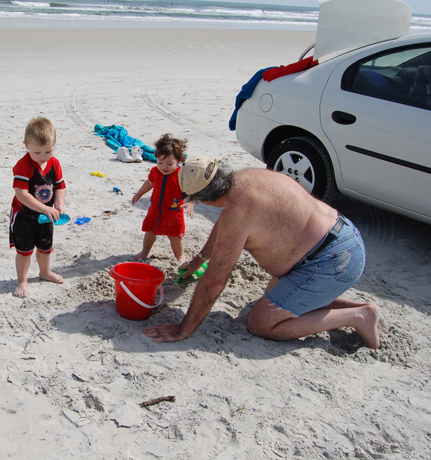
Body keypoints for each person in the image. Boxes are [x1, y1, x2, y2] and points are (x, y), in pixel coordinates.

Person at [143, 156, 385, 349]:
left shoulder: (237, 214)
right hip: (344, 238)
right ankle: (352, 306)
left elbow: (214, 284)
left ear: (204, 200)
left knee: (261, 323)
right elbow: (222, 225)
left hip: (331, 263)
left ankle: (358, 316)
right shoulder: (247, 177)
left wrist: (184, 329)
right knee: (273, 297)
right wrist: (199, 259)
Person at [9, 117, 66, 298]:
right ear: (26, 146)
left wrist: (59, 203)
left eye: (48, 151)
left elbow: (60, 186)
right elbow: (21, 194)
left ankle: (44, 272)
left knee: (45, 247)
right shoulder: (23, 165)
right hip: (25, 215)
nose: (43, 157)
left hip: (46, 215)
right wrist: (44, 208)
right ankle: (22, 281)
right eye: (37, 152)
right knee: (24, 251)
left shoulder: (54, 163)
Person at [131, 134, 193, 262]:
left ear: (179, 161)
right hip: (155, 210)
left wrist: (190, 203)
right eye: (160, 162)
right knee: (150, 231)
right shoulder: (155, 171)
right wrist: (139, 193)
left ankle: (179, 256)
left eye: (169, 163)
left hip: (174, 212)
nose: (164, 167)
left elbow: (190, 190)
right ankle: (145, 251)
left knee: (175, 236)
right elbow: (149, 183)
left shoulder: (181, 175)